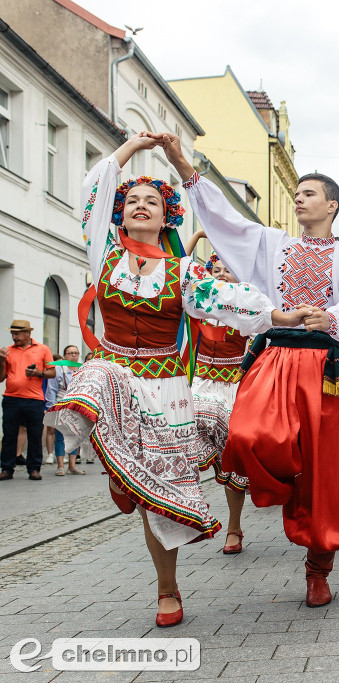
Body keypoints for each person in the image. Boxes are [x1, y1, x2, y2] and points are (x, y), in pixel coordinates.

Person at [50, 133, 281, 626]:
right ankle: (103, 441)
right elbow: (93, 193)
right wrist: (129, 149)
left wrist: (287, 316)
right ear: (120, 211)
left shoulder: (183, 272)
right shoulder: (103, 256)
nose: (139, 206)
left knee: (159, 497)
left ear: (167, 214)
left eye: (151, 201)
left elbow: (234, 303)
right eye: (131, 200)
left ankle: (167, 591)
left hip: (168, 389)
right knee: (95, 377)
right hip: (115, 374)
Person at [164, 132, 339, 608]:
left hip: (322, 367)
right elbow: (226, 223)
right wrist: (185, 169)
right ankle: (280, 485)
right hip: (274, 358)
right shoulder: (274, 246)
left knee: (323, 473)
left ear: (331, 205)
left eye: (308, 192)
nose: (298, 198)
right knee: (247, 435)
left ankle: (318, 569)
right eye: (297, 193)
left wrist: (333, 318)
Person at [180, 233, 254, 555]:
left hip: (234, 388)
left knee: (230, 463)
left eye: (227, 269)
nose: (220, 274)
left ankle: (234, 527)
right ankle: (188, 514)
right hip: (200, 387)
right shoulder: (200, 303)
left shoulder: (248, 307)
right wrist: (199, 234)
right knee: (183, 443)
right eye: (215, 269)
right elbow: (177, 266)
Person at [1, 320, 55, 480]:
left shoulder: (43, 349)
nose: (14, 337)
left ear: (27, 334)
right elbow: (0, 378)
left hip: (34, 399)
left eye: (17, 334)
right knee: (9, 434)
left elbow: (52, 373)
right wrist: (1, 360)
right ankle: (6, 468)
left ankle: (34, 468)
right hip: (11, 398)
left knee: (34, 434)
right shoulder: (7, 351)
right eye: (12, 333)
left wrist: (38, 374)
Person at [44, 345, 84, 476]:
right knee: (61, 436)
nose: (73, 355)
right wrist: (50, 407)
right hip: (61, 406)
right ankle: (60, 465)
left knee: (76, 436)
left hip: (78, 407)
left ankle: (72, 466)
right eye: (70, 353)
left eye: (76, 353)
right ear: (65, 355)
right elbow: (52, 390)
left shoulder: (82, 369)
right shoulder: (59, 369)